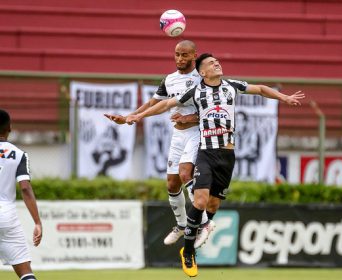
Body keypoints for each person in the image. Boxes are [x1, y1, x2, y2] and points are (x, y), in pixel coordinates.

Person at [126, 53, 305, 277]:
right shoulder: (196, 92)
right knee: (199, 200)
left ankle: (203, 226)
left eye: (217, 61)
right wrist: (138, 116)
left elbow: (259, 88)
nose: (217, 64)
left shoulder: (232, 86)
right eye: (211, 63)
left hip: (227, 155)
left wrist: (284, 97)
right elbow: (166, 103)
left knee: (212, 205)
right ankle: (188, 252)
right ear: (202, 72)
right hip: (205, 153)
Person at [104, 40, 214, 248]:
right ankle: (182, 225)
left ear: (194, 56)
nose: (179, 59)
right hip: (177, 135)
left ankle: (205, 223)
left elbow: (213, 107)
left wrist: (190, 118)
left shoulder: (202, 79)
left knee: (184, 174)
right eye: (177, 54)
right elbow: (155, 103)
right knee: (172, 184)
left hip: (197, 133)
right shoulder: (169, 80)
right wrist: (129, 116)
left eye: (184, 55)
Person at [0, 109, 42, 280]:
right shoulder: (19, 154)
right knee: (25, 271)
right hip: (7, 216)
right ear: (9, 127)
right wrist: (37, 222)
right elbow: (25, 188)